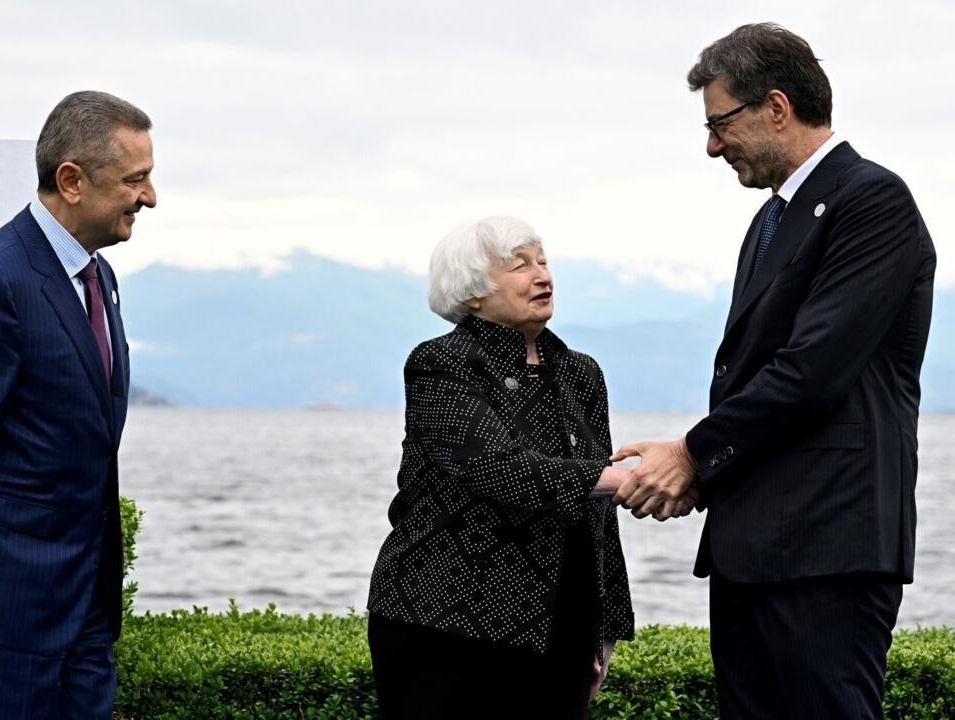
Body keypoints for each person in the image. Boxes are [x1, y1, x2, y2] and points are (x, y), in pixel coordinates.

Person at [611, 23, 936, 719]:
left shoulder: (872, 201)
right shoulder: (769, 223)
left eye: (720, 123)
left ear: (777, 107)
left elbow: (810, 372)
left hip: (828, 548)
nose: (712, 146)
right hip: (752, 550)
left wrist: (691, 455)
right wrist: (698, 470)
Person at [0, 90, 156, 719]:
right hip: (5, 618)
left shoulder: (99, 277)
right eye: (134, 180)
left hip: (86, 612)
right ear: (71, 181)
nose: (150, 197)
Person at [366, 216, 636, 719]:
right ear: (472, 292)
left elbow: (599, 516)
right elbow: (498, 468)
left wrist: (606, 626)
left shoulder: (581, 373)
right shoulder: (440, 363)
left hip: (561, 627)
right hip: (442, 622)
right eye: (520, 266)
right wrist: (624, 479)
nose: (542, 275)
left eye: (543, 261)